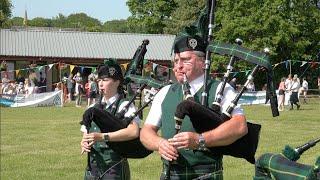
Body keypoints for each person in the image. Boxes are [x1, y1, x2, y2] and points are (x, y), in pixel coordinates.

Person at [140, 34, 247, 179]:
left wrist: (200, 140)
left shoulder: (221, 88)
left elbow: (240, 126)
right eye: (176, 61)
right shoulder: (165, 92)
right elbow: (146, 132)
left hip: (206, 172)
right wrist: (159, 143)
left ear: (203, 62)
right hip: (170, 172)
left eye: (185, 60)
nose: (178, 66)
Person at [80, 60, 140, 180]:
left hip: (114, 167)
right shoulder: (93, 107)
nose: (101, 84)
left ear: (117, 82)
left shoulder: (125, 105)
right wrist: (83, 142)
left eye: (105, 80)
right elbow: (86, 133)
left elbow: (134, 132)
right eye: (99, 80)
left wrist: (103, 137)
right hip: (93, 166)